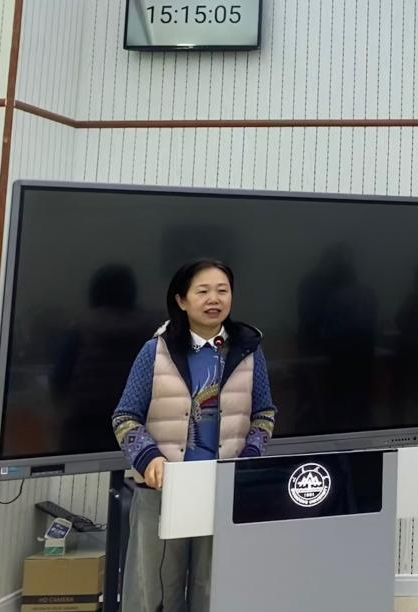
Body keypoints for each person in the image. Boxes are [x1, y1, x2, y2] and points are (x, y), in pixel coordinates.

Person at [112, 260, 276, 612]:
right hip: (162, 489)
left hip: (224, 488)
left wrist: (248, 459)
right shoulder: (155, 351)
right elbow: (125, 417)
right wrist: (149, 458)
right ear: (181, 300)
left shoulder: (249, 350)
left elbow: (264, 414)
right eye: (203, 291)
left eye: (222, 291)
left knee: (215, 589)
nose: (214, 299)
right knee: (155, 592)